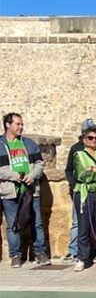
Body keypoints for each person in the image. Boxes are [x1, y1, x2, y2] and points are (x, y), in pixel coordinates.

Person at [64, 118, 96, 264]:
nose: (94, 140)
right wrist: (74, 184)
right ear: (83, 137)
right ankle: (82, 257)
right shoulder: (77, 150)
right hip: (82, 193)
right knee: (82, 226)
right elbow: (76, 172)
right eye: (90, 137)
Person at [0, 113, 48, 268]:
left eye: (22, 124)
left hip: (30, 190)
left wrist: (32, 175)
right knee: (12, 224)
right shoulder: (0, 144)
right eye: (18, 124)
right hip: (9, 191)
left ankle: (40, 252)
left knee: (37, 222)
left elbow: (40, 163)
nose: (21, 127)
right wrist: (13, 176)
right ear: (8, 125)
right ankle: (16, 255)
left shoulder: (29, 143)